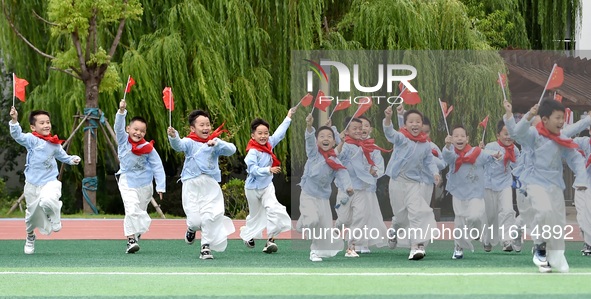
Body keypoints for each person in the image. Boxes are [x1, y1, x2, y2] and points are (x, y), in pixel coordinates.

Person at [508, 100, 588, 273]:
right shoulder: (533, 136)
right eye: (558, 118)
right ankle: (540, 248)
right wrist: (528, 115)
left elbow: (575, 158)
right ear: (544, 119)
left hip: (555, 186)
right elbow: (517, 133)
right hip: (534, 183)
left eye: (563, 118)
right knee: (544, 211)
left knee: (557, 224)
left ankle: (556, 256)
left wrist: (582, 178)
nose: (561, 122)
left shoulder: (562, 138)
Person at [9, 106, 81, 254]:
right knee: (31, 217)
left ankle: (55, 218)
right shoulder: (31, 139)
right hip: (32, 185)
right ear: (33, 127)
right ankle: (30, 236)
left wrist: (72, 159)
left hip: (49, 182)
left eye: (48, 122)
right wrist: (14, 120)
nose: (46, 125)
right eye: (42, 123)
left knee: (48, 200)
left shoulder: (54, 143)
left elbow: (63, 157)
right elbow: (18, 136)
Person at [167, 109, 236, 260]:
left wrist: (217, 143)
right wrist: (173, 136)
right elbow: (178, 145)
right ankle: (191, 229)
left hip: (210, 186)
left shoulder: (214, 143)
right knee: (195, 220)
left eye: (208, 124)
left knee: (209, 217)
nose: (206, 128)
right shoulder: (190, 142)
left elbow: (232, 150)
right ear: (193, 128)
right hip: (191, 185)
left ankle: (205, 247)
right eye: (201, 125)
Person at [383, 106, 440, 260]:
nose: (415, 124)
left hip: (414, 183)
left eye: (418, 122)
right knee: (401, 218)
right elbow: (389, 133)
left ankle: (416, 246)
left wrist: (435, 173)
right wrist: (388, 118)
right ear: (406, 124)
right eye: (411, 122)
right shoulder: (402, 138)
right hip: (397, 182)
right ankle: (394, 229)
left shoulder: (425, 144)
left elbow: (429, 161)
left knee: (416, 213)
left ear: (422, 125)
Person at [296, 114, 353, 261]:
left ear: (334, 141)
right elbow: (309, 140)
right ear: (317, 140)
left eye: (329, 136)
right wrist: (309, 126)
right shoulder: (313, 153)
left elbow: (343, 175)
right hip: (308, 194)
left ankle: (315, 251)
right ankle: (305, 220)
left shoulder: (335, 161)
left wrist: (348, 187)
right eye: (321, 136)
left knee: (323, 229)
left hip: (323, 198)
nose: (325, 138)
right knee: (312, 220)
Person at [240, 107, 297, 253]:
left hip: (267, 187)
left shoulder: (269, 144)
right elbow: (252, 170)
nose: (263, 136)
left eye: (266, 133)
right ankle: (248, 234)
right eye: (260, 133)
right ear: (253, 136)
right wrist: (268, 170)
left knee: (273, 209)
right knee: (255, 216)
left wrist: (288, 117)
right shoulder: (253, 151)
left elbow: (279, 133)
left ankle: (270, 240)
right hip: (252, 188)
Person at [115, 99, 166, 254]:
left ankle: (136, 235)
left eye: (142, 131)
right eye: (135, 129)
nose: (138, 133)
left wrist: (161, 186)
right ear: (128, 128)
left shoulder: (148, 148)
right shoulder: (123, 140)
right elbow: (118, 127)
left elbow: (157, 166)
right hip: (126, 180)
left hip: (145, 184)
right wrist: (121, 112)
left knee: (139, 211)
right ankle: (130, 241)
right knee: (131, 209)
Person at [443, 125, 498, 260]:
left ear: (467, 139)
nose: (459, 138)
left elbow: (489, 156)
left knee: (475, 216)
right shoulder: (452, 154)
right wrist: (447, 145)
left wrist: (496, 155)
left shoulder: (477, 152)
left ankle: (475, 232)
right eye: (456, 136)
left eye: (462, 136)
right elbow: (447, 156)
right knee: (460, 221)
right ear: (451, 138)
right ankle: (458, 247)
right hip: (458, 193)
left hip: (475, 193)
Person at [481, 120, 520, 252]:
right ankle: (487, 240)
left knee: (507, 210)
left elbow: (518, 166)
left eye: (511, 133)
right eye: (505, 133)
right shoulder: (491, 146)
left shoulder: (514, 149)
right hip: (488, 185)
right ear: (498, 135)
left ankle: (507, 240)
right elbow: (482, 158)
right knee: (490, 215)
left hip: (505, 184)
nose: (508, 137)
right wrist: (484, 152)